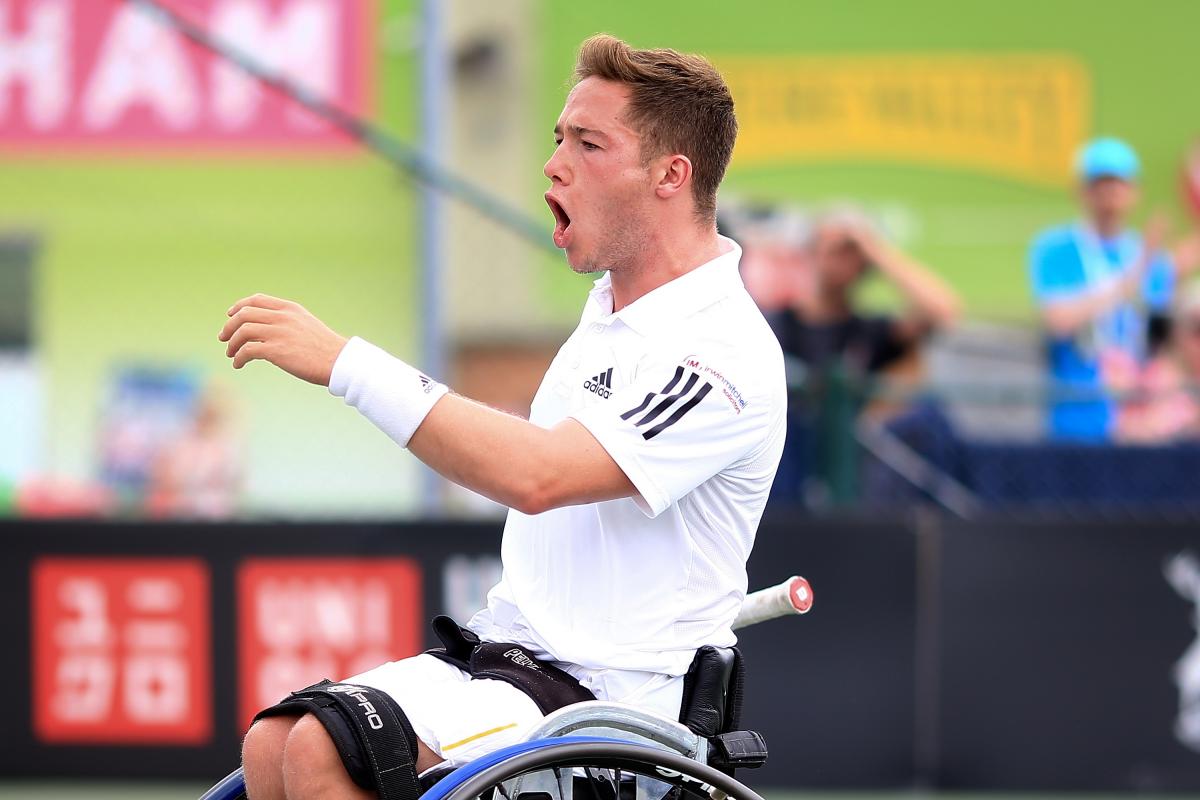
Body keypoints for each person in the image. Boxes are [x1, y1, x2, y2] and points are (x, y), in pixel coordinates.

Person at [220, 35, 785, 800]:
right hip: (509, 660)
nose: (555, 163)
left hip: (609, 701)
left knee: (322, 751)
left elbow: (538, 473)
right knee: (273, 743)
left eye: (588, 143)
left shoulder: (722, 352)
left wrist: (344, 363)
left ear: (670, 176)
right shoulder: (613, 313)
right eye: (559, 138)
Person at [1029, 137, 1200, 441]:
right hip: (1077, 420)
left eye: (1118, 184)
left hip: (1139, 424)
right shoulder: (1055, 249)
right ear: (1082, 191)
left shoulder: (1148, 255)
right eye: (1101, 184)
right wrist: (1131, 279)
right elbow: (1058, 320)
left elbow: (1165, 336)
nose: (1110, 194)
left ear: (1135, 191)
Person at [767, 212, 961, 378]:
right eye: (834, 251)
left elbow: (942, 312)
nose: (841, 262)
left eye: (852, 254)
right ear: (812, 251)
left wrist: (874, 251)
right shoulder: (777, 323)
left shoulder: (870, 331)